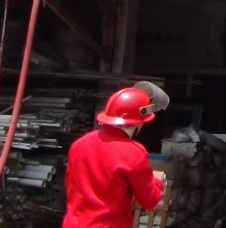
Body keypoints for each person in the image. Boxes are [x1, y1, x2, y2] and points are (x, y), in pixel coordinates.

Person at [62, 81, 170, 228]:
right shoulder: (134, 152)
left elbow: (70, 185)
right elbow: (149, 200)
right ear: (139, 122)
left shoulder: (80, 144)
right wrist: (157, 181)